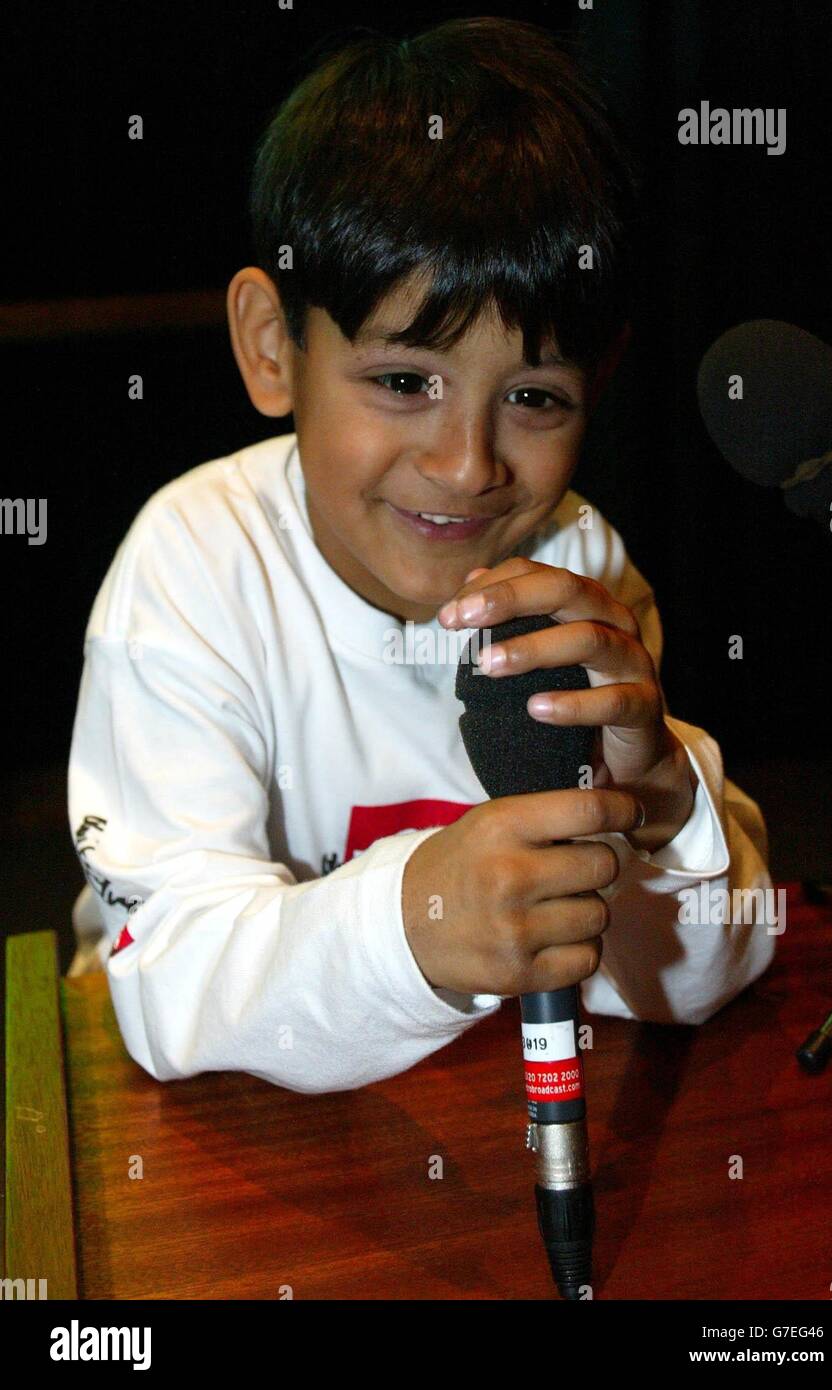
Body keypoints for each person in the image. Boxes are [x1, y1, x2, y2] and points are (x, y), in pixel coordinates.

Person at [67, 18, 775, 1092]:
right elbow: (166, 980)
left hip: (464, 1106)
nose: (464, 466)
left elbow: (679, 982)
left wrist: (664, 810)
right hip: (206, 1132)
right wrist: (416, 920)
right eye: (405, 381)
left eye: (534, 397)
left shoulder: (577, 564)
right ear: (272, 347)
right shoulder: (196, 564)